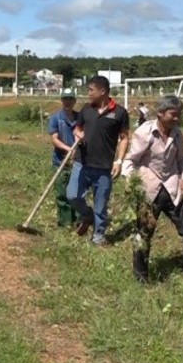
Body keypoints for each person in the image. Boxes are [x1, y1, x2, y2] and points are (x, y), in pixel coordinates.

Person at [126, 96, 183, 282]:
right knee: (143, 234)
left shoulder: (177, 134)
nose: (177, 119)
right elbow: (131, 160)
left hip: (172, 187)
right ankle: (141, 278)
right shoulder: (145, 133)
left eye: (179, 115)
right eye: (173, 115)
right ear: (160, 113)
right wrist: (130, 180)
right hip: (149, 189)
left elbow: (182, 160)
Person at [68, 76, 130, 245]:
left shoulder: (119, 113)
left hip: (104, 167)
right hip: (82, 162)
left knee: (101, 204)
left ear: (102, 91)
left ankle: (99, 236)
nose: (88, 93)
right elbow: (78, 128)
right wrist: (77, 133)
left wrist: (119, 161)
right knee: (72, 195)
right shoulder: (86, 110)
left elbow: (124, 138)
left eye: (91, 90)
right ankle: (87, 215)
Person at [47, 90, 80, 228]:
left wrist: (76, 150)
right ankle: (65, 223)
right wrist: (68, 149)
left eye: (70, 99)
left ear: (74, 101)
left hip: (77, 163)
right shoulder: (56, 118)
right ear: (61, 100)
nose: (68, 102)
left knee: (77, 194)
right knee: (62, 194)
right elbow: (54, 140)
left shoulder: (80, 118)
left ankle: (78, 222)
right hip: (60, 161)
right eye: (65, 99)